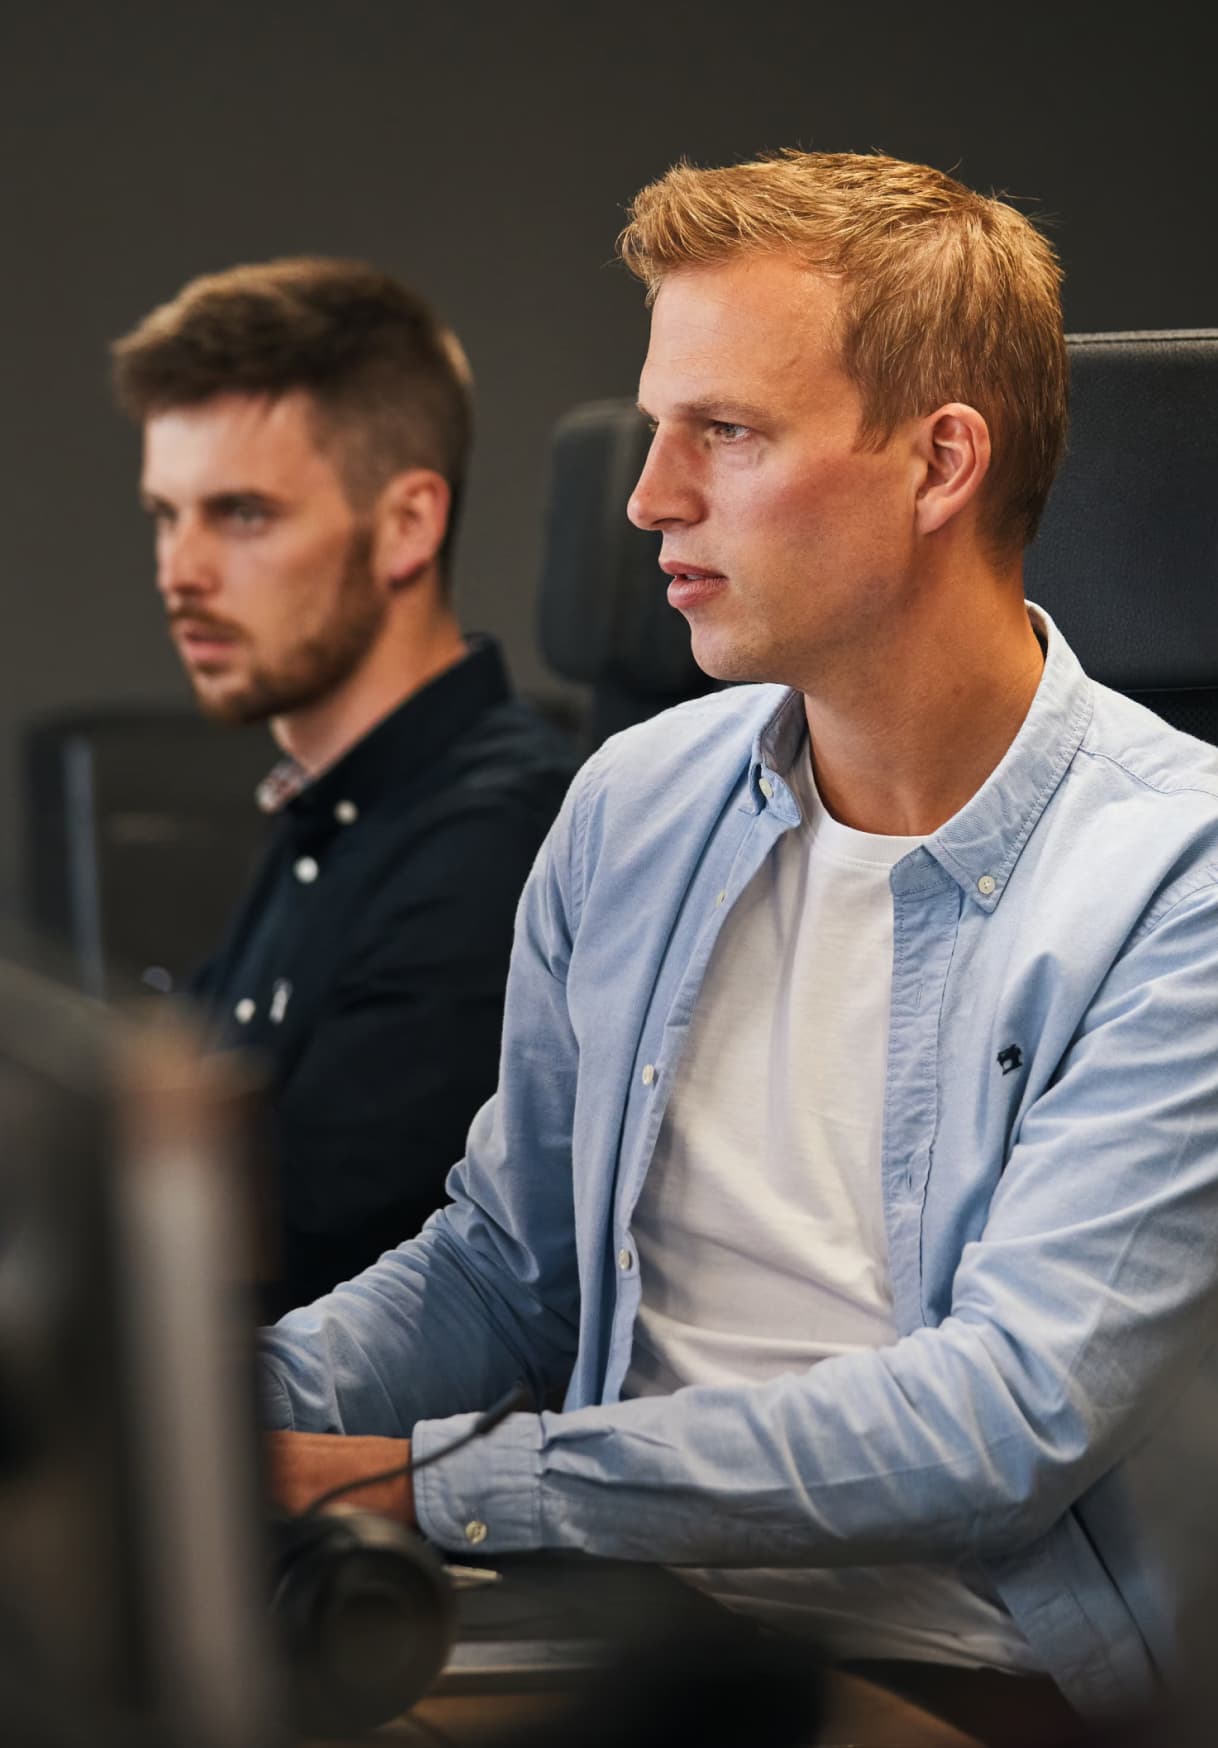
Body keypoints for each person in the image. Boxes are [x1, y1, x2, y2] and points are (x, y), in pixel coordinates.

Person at [260, 154, 1218, 1726]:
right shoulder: (638, 799)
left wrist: (433, 1486)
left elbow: (995, 1424)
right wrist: (202, 1432)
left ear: (938, 463)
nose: (650, 496)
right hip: (615, 1615)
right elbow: (508, 1272)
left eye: (727, 431)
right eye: (657, 427)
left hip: (969, 1667)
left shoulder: (1172, 876)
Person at [112, 259, 575, 1317]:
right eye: (164, 514)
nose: (177, 571)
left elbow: (275, 1253)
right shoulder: (332, 806)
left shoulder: (495, 840)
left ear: (407, 525)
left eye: (240, 515)